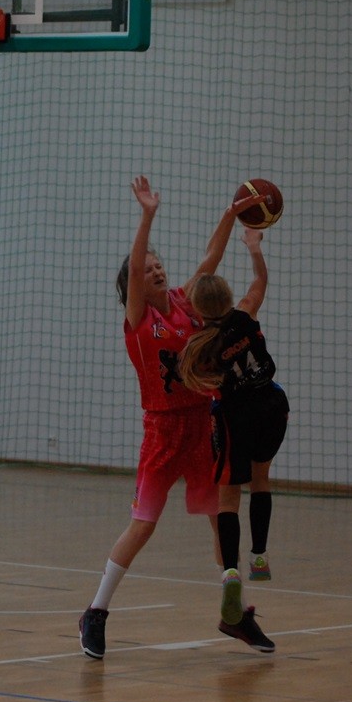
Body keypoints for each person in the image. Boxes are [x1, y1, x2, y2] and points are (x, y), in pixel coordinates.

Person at [78, 176, 264, 659]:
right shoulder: (138, 319)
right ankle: (95, 612)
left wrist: (230, 214)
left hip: (203, 424)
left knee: (221, 519)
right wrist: (147, 215)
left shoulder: (186, 300)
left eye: (159, 265)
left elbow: (211, 259)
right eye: (148, 268)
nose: (157, 270)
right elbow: (137, 258)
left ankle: (235, 614)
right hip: (162, 431)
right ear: (134, 285)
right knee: (143, 524)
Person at [178, 226, 287, 653]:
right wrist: (254, 248)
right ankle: (259, 556)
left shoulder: (199, 346)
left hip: (234, 420)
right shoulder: (245, 316)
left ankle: (230, 573)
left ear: (197, 309)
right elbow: (260, 281)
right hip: (271, 408)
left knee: (228, 499)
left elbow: (195, 383)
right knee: (262, 479)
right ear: (228, 298)